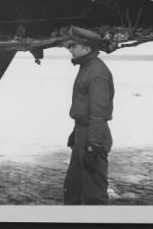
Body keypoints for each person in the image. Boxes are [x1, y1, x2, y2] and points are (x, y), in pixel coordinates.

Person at [64, 26, 115, 205]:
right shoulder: (87, 66)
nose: (69, 49)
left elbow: (98, 114)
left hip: (93, 137)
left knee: (94, 194)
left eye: (73, 46)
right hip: (83, 134)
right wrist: (76, 132)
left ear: (86, 49)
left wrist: (92, 146)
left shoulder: (97, 73)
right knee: (73, 187)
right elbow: (84, 105)